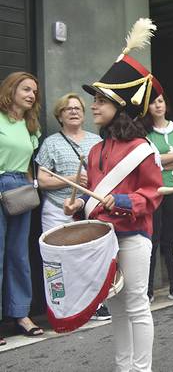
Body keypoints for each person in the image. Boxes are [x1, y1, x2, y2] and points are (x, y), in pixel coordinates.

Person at [64, 18, 163, 371]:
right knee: (117, 307)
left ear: (121, 106)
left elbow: (153, 196)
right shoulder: (94, 151)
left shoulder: (143, 149)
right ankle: (124, 367)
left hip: (134, 236)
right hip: (104, 239)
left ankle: (142, 368)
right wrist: (77, 208)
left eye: (101, 100)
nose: (93, 106)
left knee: (136, 305)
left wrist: (122, 202)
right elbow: (91, 197)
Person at [36, 93, 107, 320]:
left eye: (78, 108)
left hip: (86, 209)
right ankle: (64, 310)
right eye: (68, 109)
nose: (74, 112)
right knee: (59, 261)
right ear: (60, 115)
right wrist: (71, 179)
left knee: (89, 257)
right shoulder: (51, 143)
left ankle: (94, 306)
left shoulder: (96, 141)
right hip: (57, 210)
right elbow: (43, 180)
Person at [0, 71, 44, 343]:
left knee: (19, 254)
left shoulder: (31, 126)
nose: (31, 95)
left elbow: (28, 164)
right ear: (11, 90)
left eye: (34, 92)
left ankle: (21, 314)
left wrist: (31, 187)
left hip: (21, 188)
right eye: (26, 89)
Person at [141, 93, 173, 302]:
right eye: (153, 102)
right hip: (153, 191)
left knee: (172, 239)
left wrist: (160, 160)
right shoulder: (143, 132)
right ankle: (148, 291)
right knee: (151, 241)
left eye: (161, 100)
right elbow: (146, 161)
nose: (158, 105)